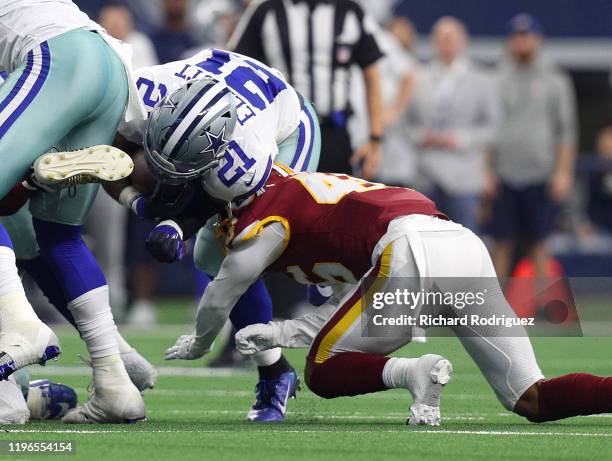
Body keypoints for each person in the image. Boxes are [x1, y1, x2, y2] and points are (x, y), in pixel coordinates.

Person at [162, 166, 612, 425]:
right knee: (530, 399)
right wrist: (283, 331)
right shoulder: (303, 191)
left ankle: (415, 373)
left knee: (320, 369)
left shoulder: (263, 220)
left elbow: (224, 291)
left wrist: (207, 341)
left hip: (411, 249)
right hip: (460, 244)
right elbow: (348, 311)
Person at [39, 47, 322, 423]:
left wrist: (178, 225)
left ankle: (274, 371)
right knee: (211, 256)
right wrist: (139, 204)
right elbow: (112, 159)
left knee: (230, 253)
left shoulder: (244, 159)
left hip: (289, 128)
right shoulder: (142, 94)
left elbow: (207, 204)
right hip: (218, 104)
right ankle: (274, 367)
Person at [0, 0, 147, 423]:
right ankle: (114, 377)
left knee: (23, 223)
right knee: (57, 237)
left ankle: (19, 329)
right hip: (105, 65)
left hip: (54, 59)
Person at [228, 0, 385, 179]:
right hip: (284, 134)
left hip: (334, 132)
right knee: (284, 203)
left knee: (335, 202)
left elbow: (372, 74)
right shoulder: (266, 9)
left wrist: (375, 139)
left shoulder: (351, 11)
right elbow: (236, 68)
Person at [488, 14, 577, 279]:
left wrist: (563, 172)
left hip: (541, 173)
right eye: (517, 37)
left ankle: (543, 309)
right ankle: (491, 310)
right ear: (510, 42)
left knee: (540, 243)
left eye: (527, 36)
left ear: (537, 40)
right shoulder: (497, 78)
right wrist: (486, 171)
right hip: (504, 172)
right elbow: (487, 128)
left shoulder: (555, 79)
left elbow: (567, 130)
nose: (522, 42)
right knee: (501, 242)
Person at [407, 17, 499, 232]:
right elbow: (407, 122)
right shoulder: (419, 77)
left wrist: (461, 139)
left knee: (465, 240)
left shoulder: (481, 79)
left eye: (451, 38)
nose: (446, 44)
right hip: (426, 175)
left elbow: (493, 126)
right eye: (441, 38)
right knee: (426, 240)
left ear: (463, 42)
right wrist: (421, 137)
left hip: (464, 177)